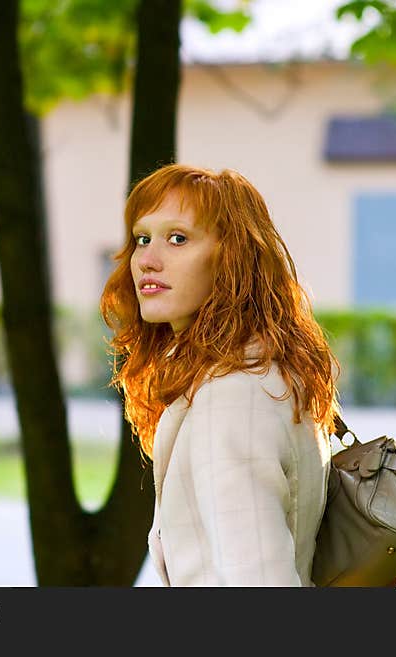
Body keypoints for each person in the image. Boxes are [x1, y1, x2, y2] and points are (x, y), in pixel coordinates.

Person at [99, 164, 341, 586]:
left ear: (232, 258)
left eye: (178, 238)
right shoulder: (260, 373)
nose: (147, 261)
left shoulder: (232, 397)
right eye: (143, 239)